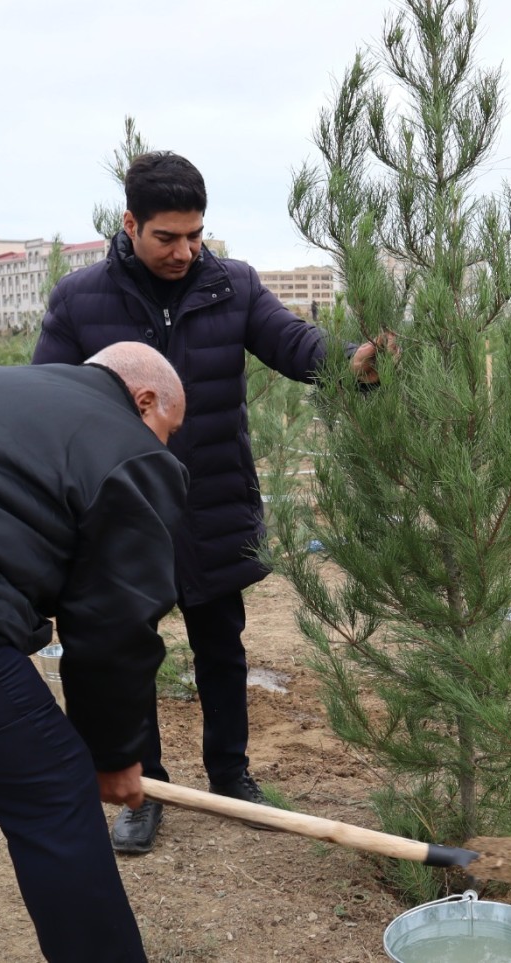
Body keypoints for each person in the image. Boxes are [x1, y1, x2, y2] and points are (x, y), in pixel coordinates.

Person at [33, 151, 380, 855]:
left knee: (221, 645)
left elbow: (294, 345)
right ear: (129, 224)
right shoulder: (81, 301)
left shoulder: (234, 287)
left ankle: (231, 774)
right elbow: (47, 399)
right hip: (121, 515)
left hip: (212, 499)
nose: (184, 250)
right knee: (131, 651)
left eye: (196, 234)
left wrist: (352, 362)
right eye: (167, 236)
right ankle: (148, 788)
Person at [0, 343, 187, 962]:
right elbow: (114, 624)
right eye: (170, 431)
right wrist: (113, 755)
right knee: (53, 797)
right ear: (145, 401)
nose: (165, 449)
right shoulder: (126, 445)